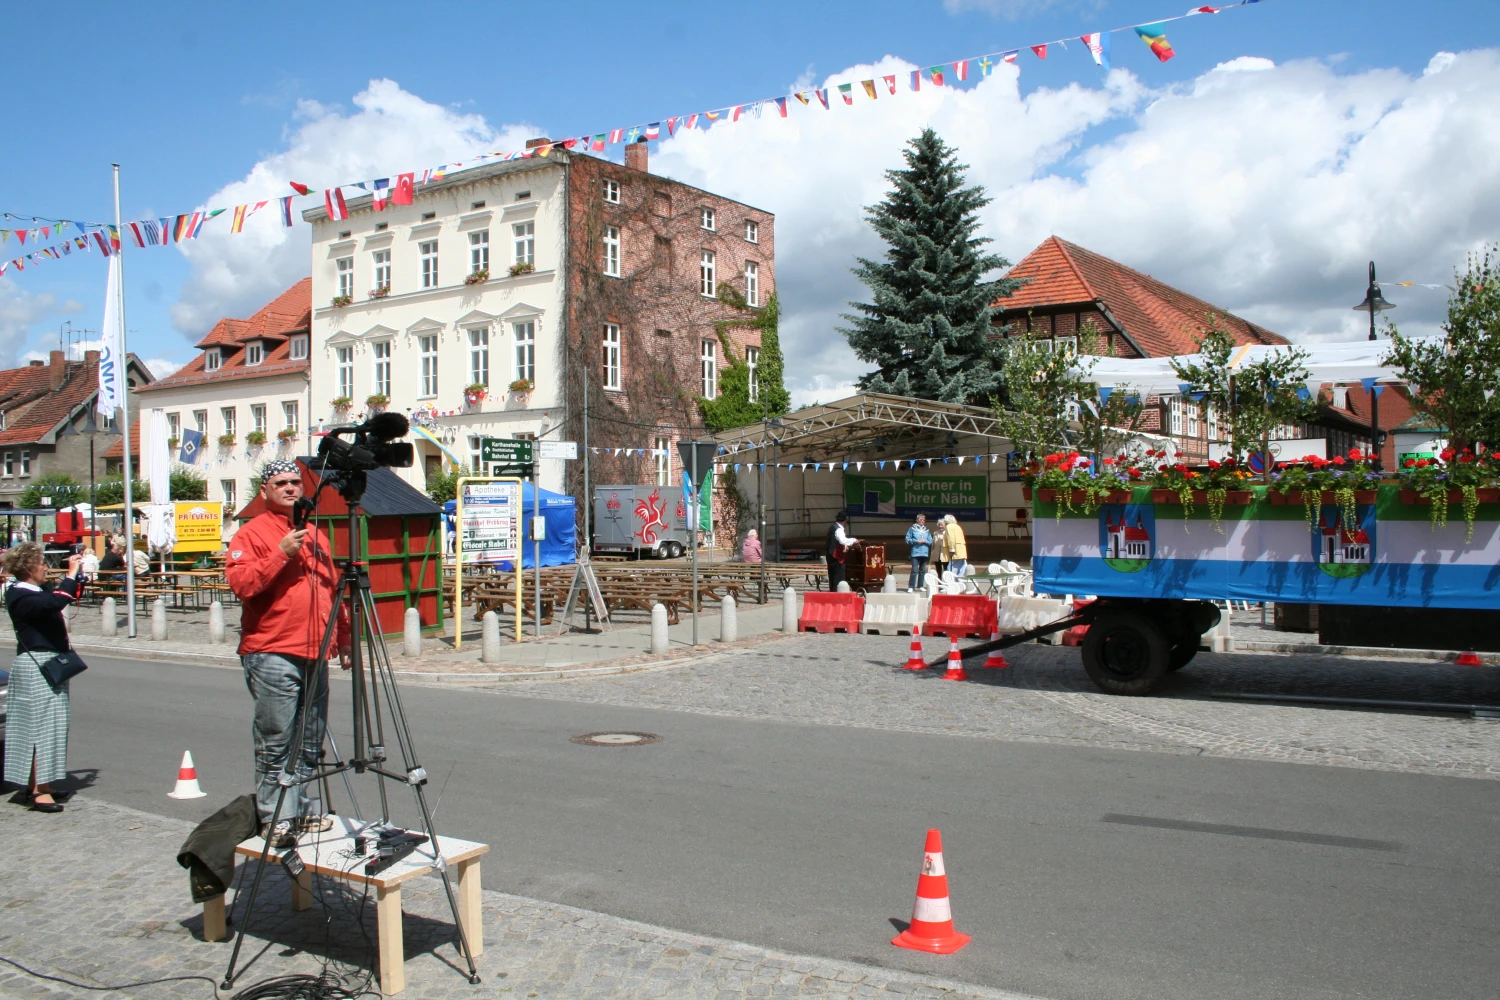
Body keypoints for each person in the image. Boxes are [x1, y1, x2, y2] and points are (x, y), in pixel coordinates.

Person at [226, 460, 351, 846]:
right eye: (281, 483)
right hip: (272, 651)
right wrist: (280, 553)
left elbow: (333, 590)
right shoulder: (251, 534)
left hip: (316, 650)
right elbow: (242, 585)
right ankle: (276, 817)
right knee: (276, 740)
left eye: (296, 482)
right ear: (265, 490)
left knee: (310, 741)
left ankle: (303, 810)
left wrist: (344, 637)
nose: (291, 488)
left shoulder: (317, 534)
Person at [3, 542, 84, 813]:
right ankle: (38, 791)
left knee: (48, 726)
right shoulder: (19, 594)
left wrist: (75, 575)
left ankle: (41, 785)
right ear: (28, 568)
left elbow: (61, 594)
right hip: (38, 665)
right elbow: (55, 602)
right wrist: (70, 576)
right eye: (41, 563)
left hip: (45, 663)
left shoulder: (33, 590)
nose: (46, 568)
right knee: (43, 727)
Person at [825, 511, 859, 591]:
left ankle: (833, 593)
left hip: (830, 556)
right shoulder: (839, 529)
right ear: (845, 521)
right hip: (836, 558)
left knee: (833, 577)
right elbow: (842, 540)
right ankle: (838, 595)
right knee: (838, 578)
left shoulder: (833, 527)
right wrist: (854, 540)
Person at [904, 513, 932, 592]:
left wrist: (925, 541)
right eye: (921, 519)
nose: (922, 521)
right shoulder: (912, 529)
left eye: (924, 520)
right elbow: (907, 539)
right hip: (915, 552)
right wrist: (916, 541)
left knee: (922, 570)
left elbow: (930, 541)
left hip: (925, 552)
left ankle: (920, 585)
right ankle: (911, 586)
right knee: (914, 570)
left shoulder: (927, 530)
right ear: (917, 520)